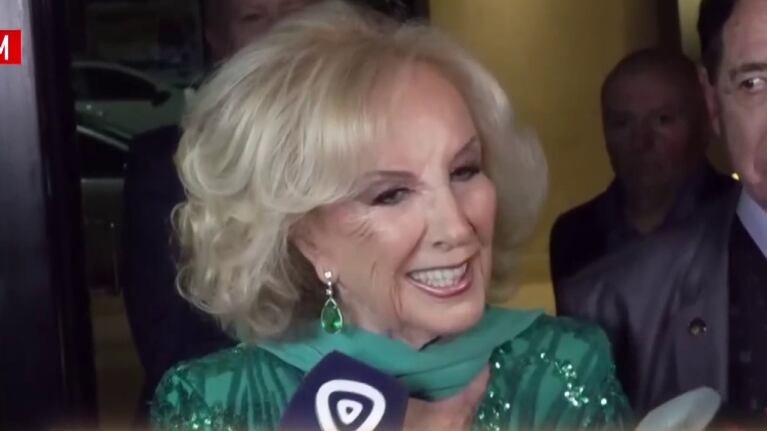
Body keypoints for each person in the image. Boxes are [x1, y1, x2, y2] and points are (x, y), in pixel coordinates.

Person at [149, 2, 632, 430]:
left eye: (464, 170)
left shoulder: (565, 366)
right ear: (305, 235)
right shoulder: (220, 401)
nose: (456, 227)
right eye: (392, 194)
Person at [557, 0, 767, 426]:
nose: (642, 141)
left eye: (663, 120)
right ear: (711, 101)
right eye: (754, 83)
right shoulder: (607, 311)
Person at [121, 0, 319, 421]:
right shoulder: (165, 167)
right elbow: (172, 350)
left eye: (297, 8)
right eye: (254, 18)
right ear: (218, 40)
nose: (283, 30)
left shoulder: (373, 143)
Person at [549, 49, 734, 287]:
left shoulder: (741, 220)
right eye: (622, 123)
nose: (641, 142)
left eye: (663, 120)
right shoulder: (574, 235)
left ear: (706, 124)